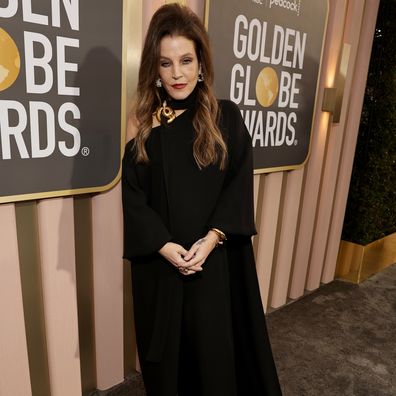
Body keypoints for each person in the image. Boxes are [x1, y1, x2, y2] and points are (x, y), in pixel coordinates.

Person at [122, 4, 282, 396]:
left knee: (215, 365)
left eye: (186, 60)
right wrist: (165, 247)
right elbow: (134, 199)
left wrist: (210, 240)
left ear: (201, 63)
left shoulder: (225, 118)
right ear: (154, 71)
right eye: (166, 63)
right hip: (162, 271)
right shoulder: (143, 134)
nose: (177, 74)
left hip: (215, 267)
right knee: (169, 370)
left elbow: (238, 184)